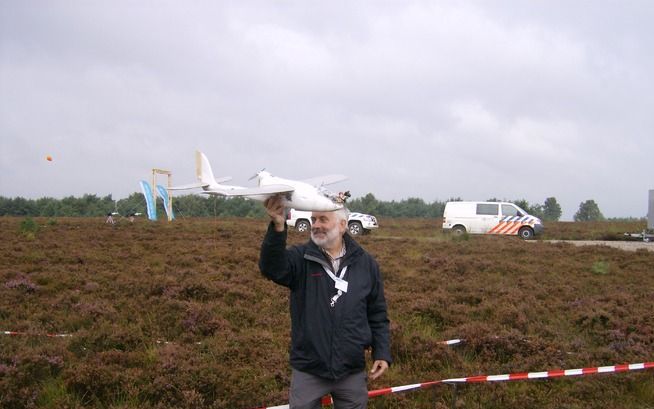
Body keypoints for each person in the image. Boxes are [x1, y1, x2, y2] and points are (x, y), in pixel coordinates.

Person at [260, 195, 391, 409]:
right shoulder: (300, 258)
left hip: (351, 370)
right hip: (309, 368)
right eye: (314, 220)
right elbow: (271, 268)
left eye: (323, 219)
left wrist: (382, 352)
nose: (316, 225)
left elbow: (377, 313)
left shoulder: (366, 264)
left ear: (342, 225)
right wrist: (277, 227)